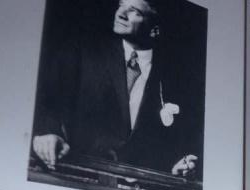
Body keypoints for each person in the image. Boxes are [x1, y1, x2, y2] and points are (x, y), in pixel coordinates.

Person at [32, 0, 201, 175]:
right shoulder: (84, 52)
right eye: (121, 5)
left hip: (142, 183)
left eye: (134, 11)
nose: (120, 14)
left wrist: (176, 164)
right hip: (76, 174)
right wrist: (48, 133)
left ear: (154, 30)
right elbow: (48, 101)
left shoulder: (177, 77)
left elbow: (178, 140)